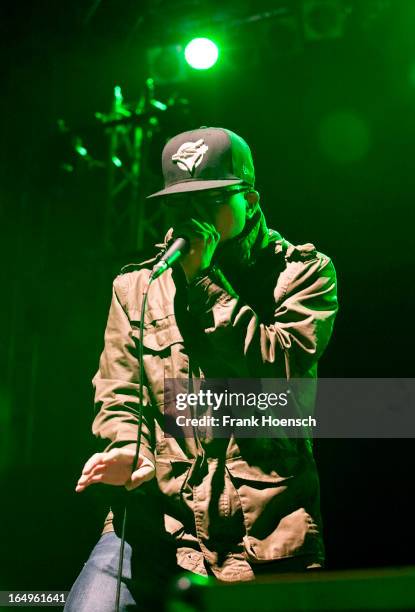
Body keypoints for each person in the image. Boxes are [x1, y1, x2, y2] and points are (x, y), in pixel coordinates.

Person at [64, 127, 338, 611]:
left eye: (211, 200)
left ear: (249, 199)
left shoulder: (303, 273)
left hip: (265, 533)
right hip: (154, 526)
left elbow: (282, 374)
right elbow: (119, 391)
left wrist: (206, 283)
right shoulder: (136, 288)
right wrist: (129, 447)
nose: (193, 217)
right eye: (179, 204)